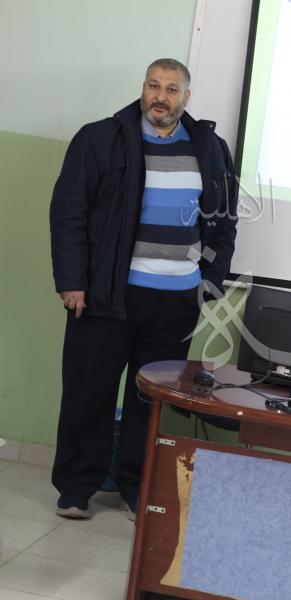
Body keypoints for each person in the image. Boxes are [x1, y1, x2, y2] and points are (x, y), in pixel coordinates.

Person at [49, 58, 238, 519]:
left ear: (186, 97)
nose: (161, 96)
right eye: (154, 86)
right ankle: (76, 488)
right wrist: (72, 281)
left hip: (176, 300)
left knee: (149, 401)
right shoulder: (101, 138)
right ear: (144, 88)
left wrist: (210, 279)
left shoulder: (210, 148)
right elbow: (69, 211)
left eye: (172, 89)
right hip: (108, 294)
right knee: (88, 393)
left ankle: (136, 488)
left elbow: (224, 220)